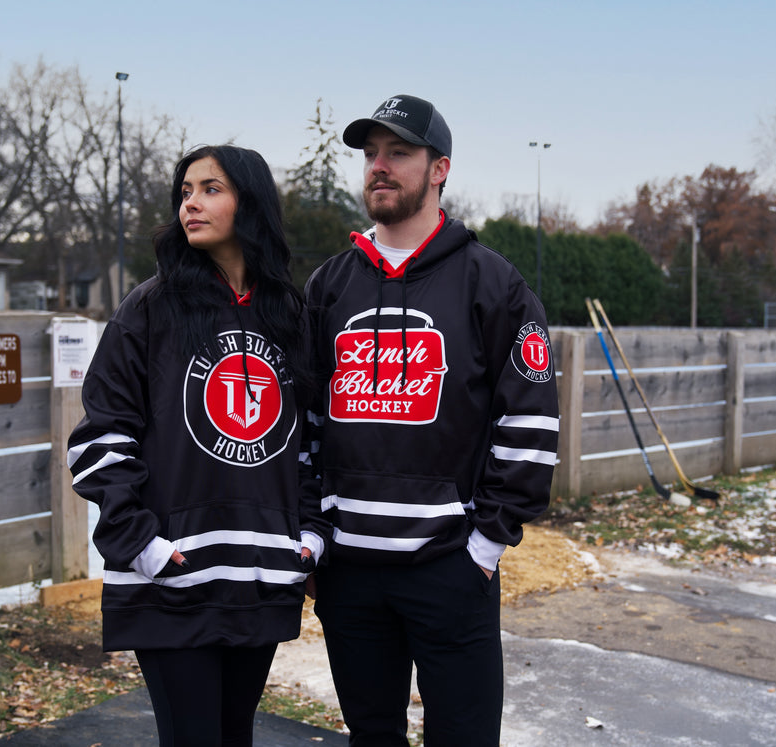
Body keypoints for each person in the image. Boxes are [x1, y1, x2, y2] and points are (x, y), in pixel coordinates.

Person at [305, 95, 559, 745]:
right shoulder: (330, 285)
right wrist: (314, 533)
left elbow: (530, 421)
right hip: (351, 572)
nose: (379, 166)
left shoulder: (492, 283)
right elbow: (301, 420)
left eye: (399, 152)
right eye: (370, 154)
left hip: (450, 567)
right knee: (372, 735)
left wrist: (485, 544)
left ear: (440, 168)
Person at [67, 144, 325, 747]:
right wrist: (143, 546)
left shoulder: (289, 313)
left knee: (235, 736)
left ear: (251, 202)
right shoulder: (149, 309)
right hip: (173, 578)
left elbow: (310, 440)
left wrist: (308, 536)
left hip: (261, 574)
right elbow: (100, 437)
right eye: (185, 191)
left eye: (211, 189)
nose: (192, 203)